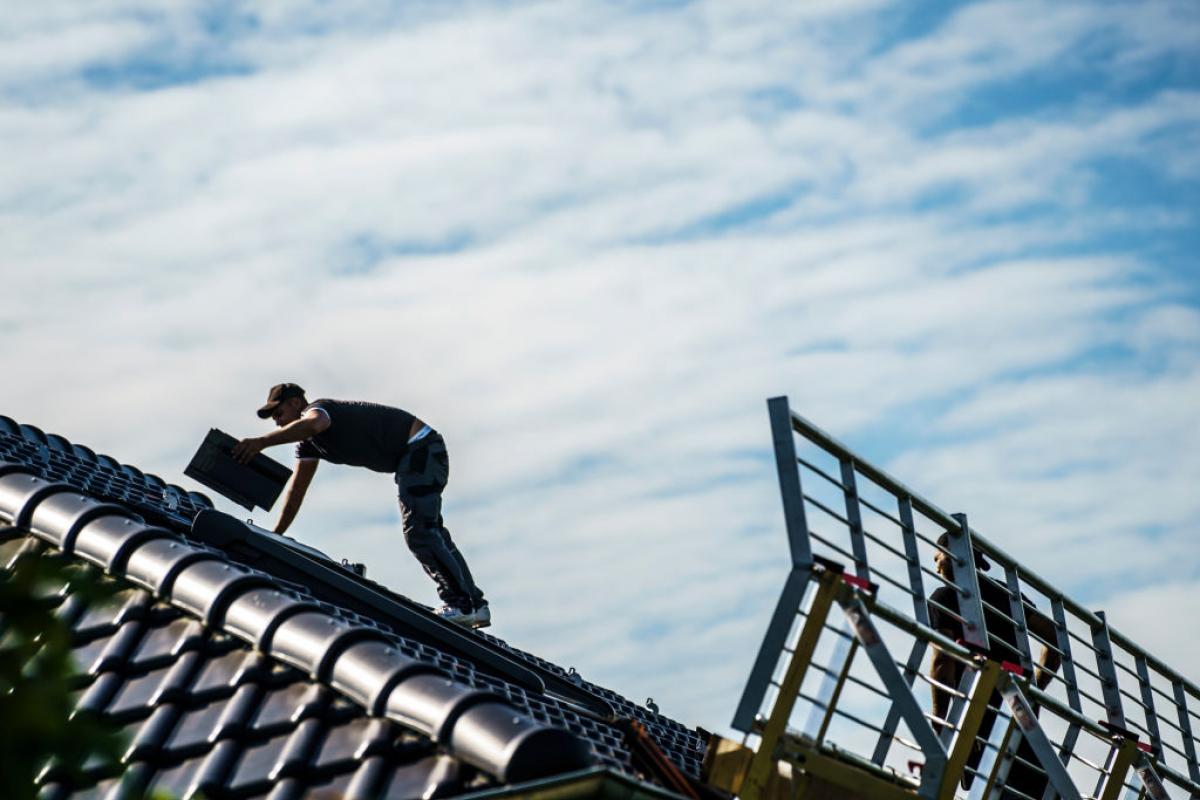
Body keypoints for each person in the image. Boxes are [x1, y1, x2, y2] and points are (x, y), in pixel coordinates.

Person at [232, 383, 489, 629]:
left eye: (279, 413)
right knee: (431, 532)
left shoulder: (319, 411)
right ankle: (473, 604)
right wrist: (277, 535)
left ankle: (463, 606)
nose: (277, 421)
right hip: (418, 455)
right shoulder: (309, 445)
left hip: (421, 448)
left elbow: (314, 423)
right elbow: (297, 491)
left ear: (296, 403)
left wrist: (262, 442)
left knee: (419, 532)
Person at [927, 533, 1060, 795]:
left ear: (954, 557)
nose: (935, 565)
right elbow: (1054, 639)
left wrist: (939, 720)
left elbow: (944, 661)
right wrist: (1035, 688)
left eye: (937, 557)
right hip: (1019, 714)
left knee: (988, 789)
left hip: (980, 718)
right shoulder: (1005, 594)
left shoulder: (944, 597)